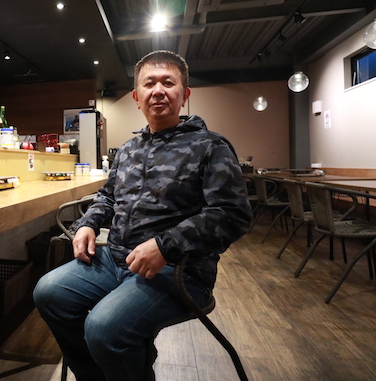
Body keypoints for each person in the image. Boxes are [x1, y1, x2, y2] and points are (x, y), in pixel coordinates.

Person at [33, 50, 252, 381]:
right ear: (137, 97)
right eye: (149, 83)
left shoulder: (210, 146)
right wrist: (88, 224)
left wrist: (165, 245)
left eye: (168, 82)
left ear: (184, 95)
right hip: (115, 260)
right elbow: (107, 196)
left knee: (103, 327)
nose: (158, 90)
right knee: (48, 292)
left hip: (179, 271)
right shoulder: (128, 150)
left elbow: (233, 214)